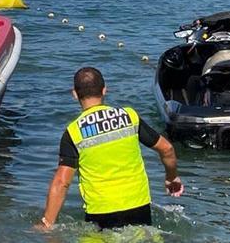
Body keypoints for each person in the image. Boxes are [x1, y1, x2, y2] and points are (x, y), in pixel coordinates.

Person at [38, 67, 184, 231]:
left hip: (101, 212)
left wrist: (47, 223)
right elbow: (167, 149)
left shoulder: (73, 132)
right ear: (104, 90)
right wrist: (172, 177)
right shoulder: (129, 116)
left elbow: (62, 182)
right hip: (138, 206)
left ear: (75, 94)